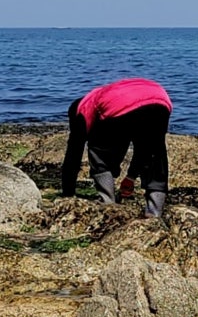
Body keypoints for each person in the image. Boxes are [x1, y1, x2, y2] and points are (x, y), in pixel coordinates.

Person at [61, 78, 172, 217]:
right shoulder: (101, 95)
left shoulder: (81, 109)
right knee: (155, 153)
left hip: (121, 103)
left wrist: (68, 195)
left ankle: (108, 203)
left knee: (98, 154)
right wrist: (131, 177)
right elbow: (142, 149)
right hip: (160, 99)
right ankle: (154, 213)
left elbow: (73, 156)